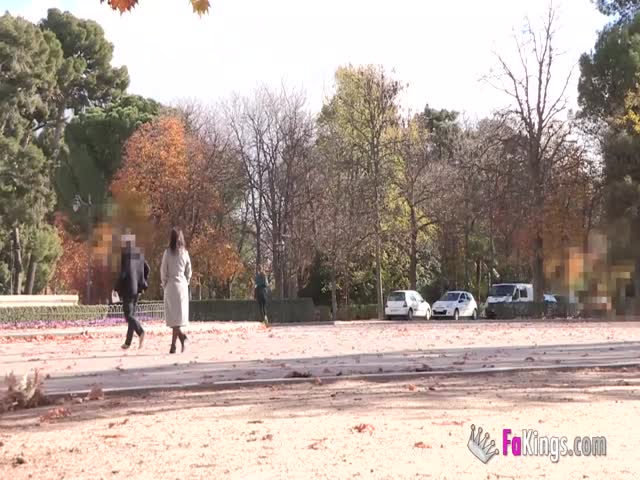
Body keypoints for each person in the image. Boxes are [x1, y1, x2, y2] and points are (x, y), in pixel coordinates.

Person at [115, 234, 149, 350]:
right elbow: (147, 268)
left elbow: (124, 273)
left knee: (128, 315)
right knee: (132, 315)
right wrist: (143, 281)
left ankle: (141, 331)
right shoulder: (139, 254)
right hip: (137, 289)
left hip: (128, 288)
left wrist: (116, 287)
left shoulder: (125, 254)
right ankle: (128, 342)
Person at [161, 227, 192, 354]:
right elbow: (189, 270)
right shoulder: (185, 253)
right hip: (182, 285)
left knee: (173, 318)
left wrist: (164, 284)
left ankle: (180, 339)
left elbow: (163, 270)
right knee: (177, 318)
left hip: (171, 285)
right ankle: (174, 345)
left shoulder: (167, 253)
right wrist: (186, 281)